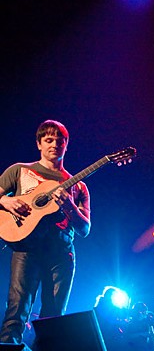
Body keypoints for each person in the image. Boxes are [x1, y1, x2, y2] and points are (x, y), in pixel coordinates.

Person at [0, 120, 91, 346]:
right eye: (48, 140)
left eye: (60, 141)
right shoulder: (20, 171)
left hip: (61, 254)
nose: (54, 145)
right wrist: (6, 201)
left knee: (53, 319)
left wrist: (69, 205)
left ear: (66, 145)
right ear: (39, 144)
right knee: (16, 312)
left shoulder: (77, 186)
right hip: (26, 250)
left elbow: (85, 229)